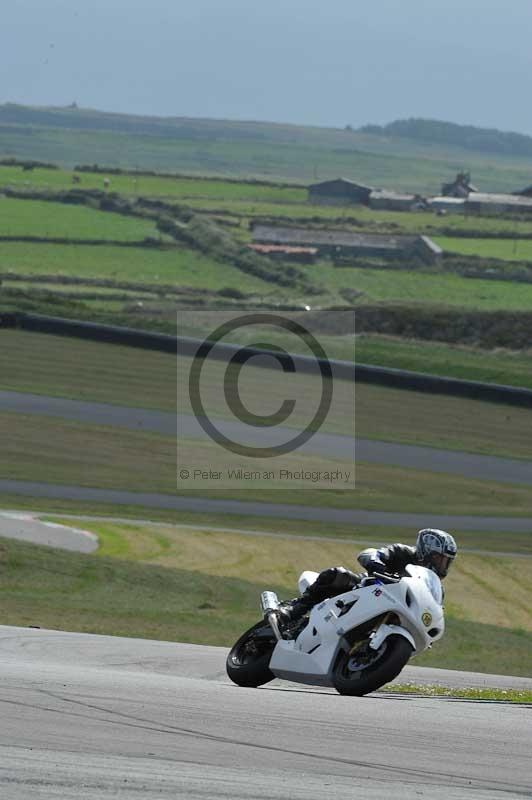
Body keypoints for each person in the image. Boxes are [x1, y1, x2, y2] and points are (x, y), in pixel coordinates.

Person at [280, 528, 457, 626]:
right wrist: (377, 564)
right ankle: (296, 608)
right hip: (367, 589)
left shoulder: (434, 586)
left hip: (394, 611)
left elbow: (434, 608)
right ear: (427, 551)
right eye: (440, 559)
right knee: (337, 575)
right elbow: (370, 554)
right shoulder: (403, 552)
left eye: (447, 561)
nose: (443, 565)